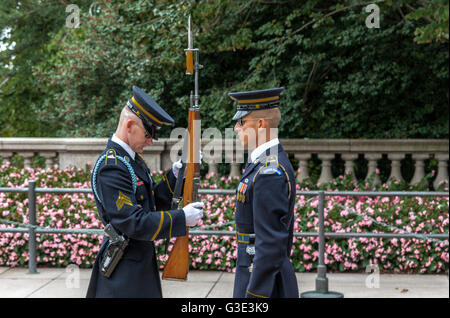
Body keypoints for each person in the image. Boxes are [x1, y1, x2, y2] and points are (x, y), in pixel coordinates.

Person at [86, 86, 203, 298]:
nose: (151, 140)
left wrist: (175, 176)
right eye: (149, 133)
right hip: (123, 273)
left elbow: (150, 203)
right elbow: (133, 222)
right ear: (130, 125)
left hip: (137, 263)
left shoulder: (129, 160)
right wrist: (181, 218)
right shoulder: (111, 166)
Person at [228, 87, 299, 298]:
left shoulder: (269, 172)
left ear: (260, 125)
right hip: (255, 275)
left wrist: (255, 295)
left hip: (264, 286)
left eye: (242, 122)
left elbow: (269, 245)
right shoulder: (261, 163)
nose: (236, 128)